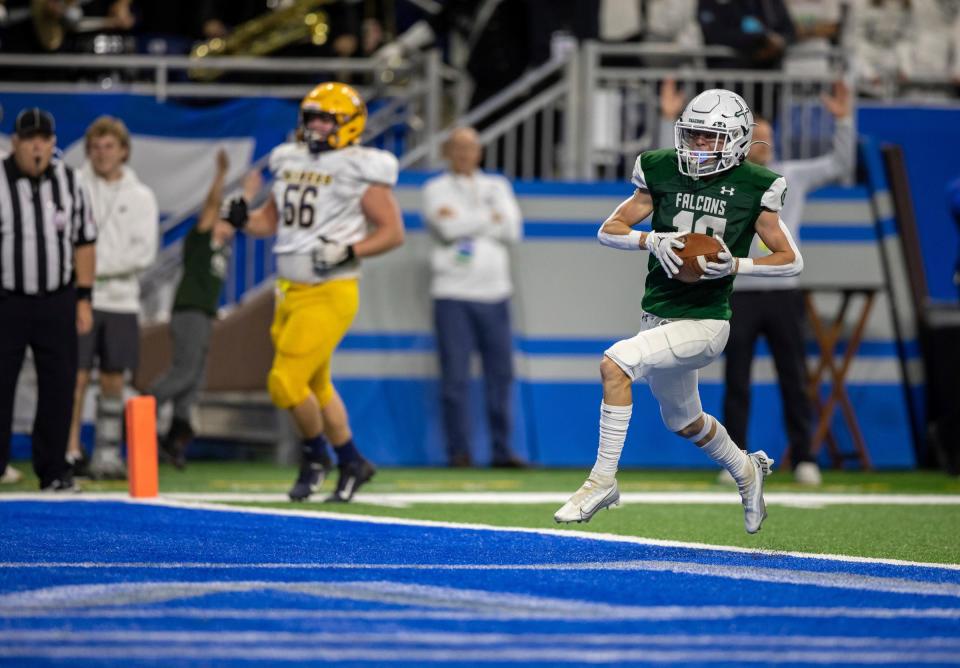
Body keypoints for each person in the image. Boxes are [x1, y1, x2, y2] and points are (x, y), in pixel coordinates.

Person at [554, 89, 803, 533]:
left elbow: (791, 259)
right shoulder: (661, 167)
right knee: (684, 421)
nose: (697, 146)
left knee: (616, 364)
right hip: (658, 315)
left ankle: (602, 481)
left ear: (738, 140)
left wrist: (738, 264)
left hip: (706, 322)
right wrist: (652, 239)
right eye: (692, 134)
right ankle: (746, 470)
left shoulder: (757, 184)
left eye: (710, 137)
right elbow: (609, 229)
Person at [658, 79, 855, 486]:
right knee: (737, 378)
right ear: (740, 142)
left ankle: (804, 457)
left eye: (767, 139)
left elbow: (839, 164)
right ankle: (736, 459)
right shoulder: (723, 181)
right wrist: (668, 120)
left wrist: (844, 121)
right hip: (739, 290)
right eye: (755, 139)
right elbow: (675, 170)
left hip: (782, 291)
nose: (761, 146)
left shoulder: (791, 177)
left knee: (794, 376)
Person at [222, 81, 405, 503]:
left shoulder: (361, 167)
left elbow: (393, 232)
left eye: (328, 119)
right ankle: (353, 461)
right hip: (289, 290)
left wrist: (349, 250)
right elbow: (271, 222)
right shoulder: (290, 161)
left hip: (330, 290)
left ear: (350, 124)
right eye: (313, 118)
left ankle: (314, 456)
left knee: (285, 383)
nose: (318, 126)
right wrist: (242, 220)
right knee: (318, 388)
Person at [0, 107, 97, 491]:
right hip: (6, 300)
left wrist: (84, 298)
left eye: (44, 139)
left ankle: (54, 469)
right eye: (29, 139)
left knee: (58, 386)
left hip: (57, 299)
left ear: (53, 143)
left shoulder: (70, 182)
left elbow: (84, 242)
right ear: (15, 143)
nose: (37, 146)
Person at [423, 127, 525, 468]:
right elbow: (448, 230)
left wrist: (467, 221)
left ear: (480, 152)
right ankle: (459, 452)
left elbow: (512, 230)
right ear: (447, 151)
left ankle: (501, 451)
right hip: (452, 294)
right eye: (458, 148)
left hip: (496, 293)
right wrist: (488, 219)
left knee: (501, 377)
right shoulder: (434, 188)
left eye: (471, 147)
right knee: (455, 379)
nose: (465, 154)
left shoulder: (498, 185)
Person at [66, 116, 158, 480]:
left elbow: (144, 254)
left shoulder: (141, 196)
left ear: (123, 151)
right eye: (96, 147)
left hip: (121, 300)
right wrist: (86, 279)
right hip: (81, 299)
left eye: (109, 147)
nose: (102, 154)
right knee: (74, 376)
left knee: (113, 378)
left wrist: (92, 267)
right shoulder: (74, 187)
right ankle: (70, 449)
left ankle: (107, 453)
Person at [148, 148, 242, 470]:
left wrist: (251, 194)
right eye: (223, 221)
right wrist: (220, 176)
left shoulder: (222, 250)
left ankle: (175, 435)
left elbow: (233, 217)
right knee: (184, 371)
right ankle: (143, 410)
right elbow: (212, 206)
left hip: (202, 316)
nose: (228, 227)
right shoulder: (200, 239)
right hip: (188, 311)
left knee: (195, 378)